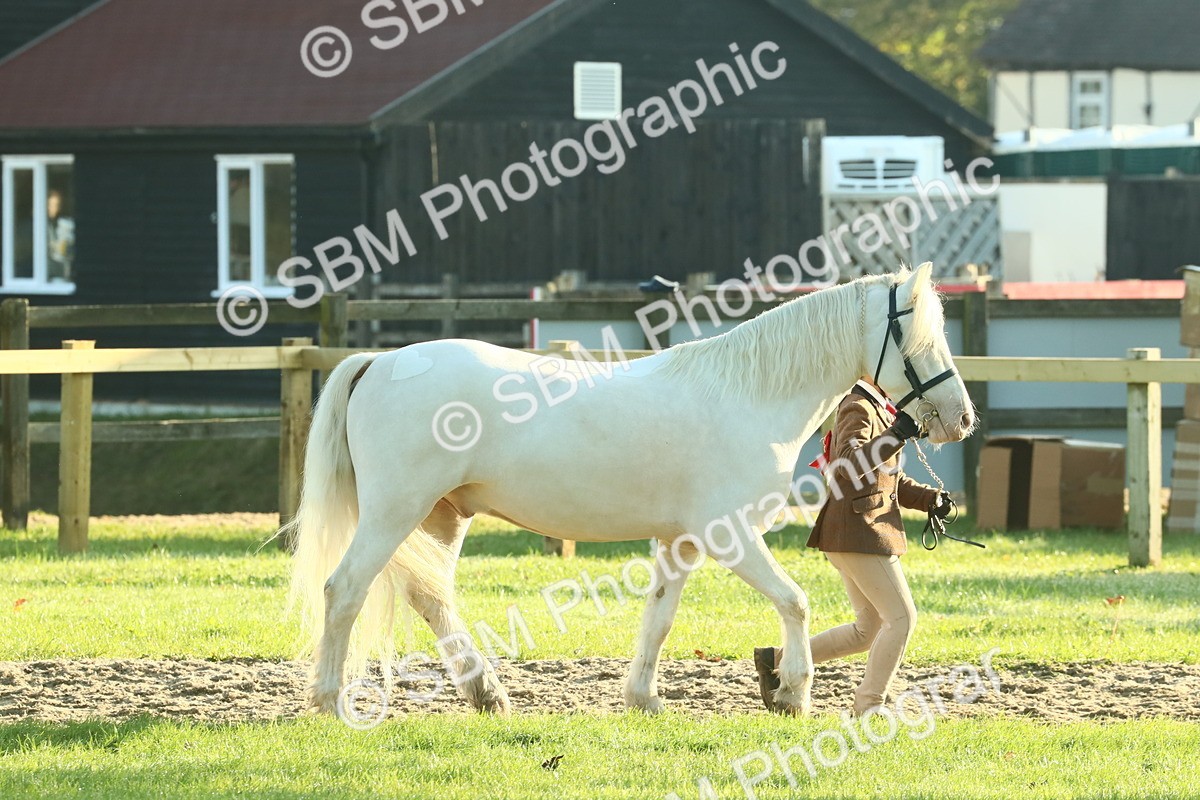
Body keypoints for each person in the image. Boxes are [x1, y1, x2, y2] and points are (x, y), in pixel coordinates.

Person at [753, 377, 952, 716]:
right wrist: (897, 435)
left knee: (866, 630)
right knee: (901, 619)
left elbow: (887, 480)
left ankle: (778, 661)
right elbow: (848, 466)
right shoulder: (857, 406)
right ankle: (868, 706)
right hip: (858, 532)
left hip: (856, 532)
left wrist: (928, 499)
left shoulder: (879, 407)